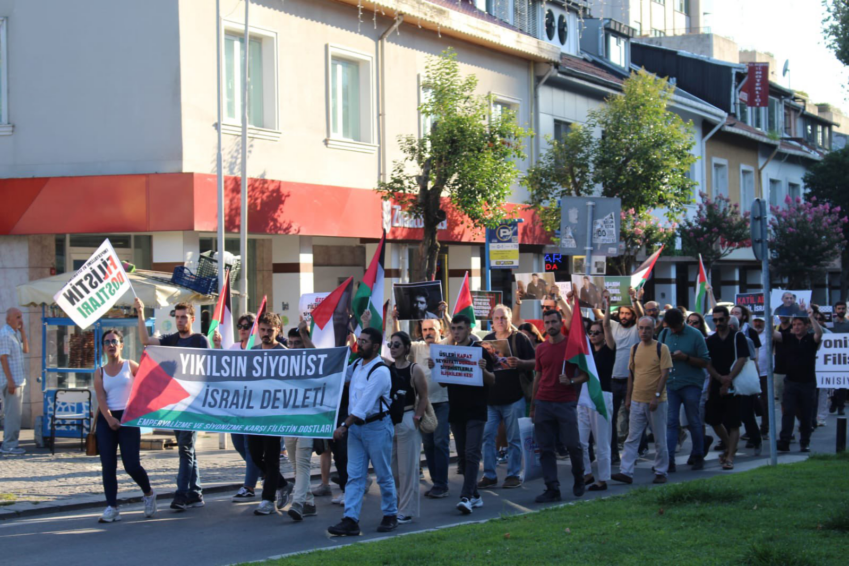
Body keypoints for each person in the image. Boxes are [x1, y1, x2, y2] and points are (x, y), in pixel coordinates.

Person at [136, 298, 209, 510]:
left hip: (193, 405)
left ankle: (182, 494)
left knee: (185, 448)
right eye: (177, 317)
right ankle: (195, 492)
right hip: (176, 404)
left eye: (184, 317)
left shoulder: (200, 340)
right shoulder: (172, 339)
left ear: (192, 319)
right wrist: (140, 312)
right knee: (188, 449)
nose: (180, 321)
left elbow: (209, 369)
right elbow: (145, 341)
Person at [327, 327, 398, 537]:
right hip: (357, 430)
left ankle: (390, 514)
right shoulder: (357, 364)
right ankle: (350, 519)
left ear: (376, 347)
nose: (360, 345)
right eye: (360, 340)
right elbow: (339, 376)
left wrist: (343, 426)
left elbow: (363, 407)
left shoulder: (381, 372)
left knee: (383, 474)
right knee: (354, 476)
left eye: (365, 342)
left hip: (376, 427)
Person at [428, 315, 496, 514]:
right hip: (456, 410)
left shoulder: (479, 351)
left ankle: (466, 496)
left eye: (460, 328)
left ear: (468, 330)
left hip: (476, 409)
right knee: (463, 456)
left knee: (472, 452)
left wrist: (482, 369)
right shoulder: (449, 352)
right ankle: (474, 495)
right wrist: (436, 368)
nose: (456, 332)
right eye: (453, 329)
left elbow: (492, 380)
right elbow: (443, 383)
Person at [93, 330, 156, 523]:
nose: (111, 345)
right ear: (103, 348)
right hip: (107, 419)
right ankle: (112, 507)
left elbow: (148, 380)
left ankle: (149, 493)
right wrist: (110, 418)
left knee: (131, 465)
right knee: (108, 466)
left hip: (129, 418)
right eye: (107, 342)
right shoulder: (100, 372)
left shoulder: (130, 366)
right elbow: (101, 398)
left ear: (121, 345)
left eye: (115, 341)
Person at [395, 303, 452, 499]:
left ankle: (442, 484)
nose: (428, 333)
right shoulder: (417, 347)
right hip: (423, 404)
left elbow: (454, 334)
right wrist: (395, 319)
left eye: (432, 329)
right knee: (428, 444)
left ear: (440, 331)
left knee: (440, 442)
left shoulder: (446, 345)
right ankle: (437, 482)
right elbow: (399, 343)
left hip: (442, 402)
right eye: (425, 329)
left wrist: (445, 315)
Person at [531, 309, 587, 503]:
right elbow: (538, 376)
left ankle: (579, 478)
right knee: (546, 448)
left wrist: (571, 381)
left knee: (572, 445)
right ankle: (552, 488)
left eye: (554, 322)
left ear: (560, 322)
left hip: (565, 402)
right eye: (547, 323)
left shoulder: (572, 346)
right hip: (543, 402)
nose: (550, 326)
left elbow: (585, 375)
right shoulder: (541, 349)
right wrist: (533, 406)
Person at [479, 305, 535, 490]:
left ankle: (513, 475)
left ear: (510, 319)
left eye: (504, 318)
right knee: (487, 437)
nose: (500, 321)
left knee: (513, 438)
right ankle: (489, 475)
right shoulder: (486, 339)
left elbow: (535, 362)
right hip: (491, 398)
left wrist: (520, 363)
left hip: (514, 397)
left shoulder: (520, 338)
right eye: (497, 318)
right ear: (492, 321)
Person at [611, 317, 673, 485]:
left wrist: (657, 396)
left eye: (648, 328)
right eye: (641, 328)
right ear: (638, 330)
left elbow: (665, 373)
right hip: (637, 400)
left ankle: (661, 471)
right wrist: (628, 397)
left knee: (660, 439)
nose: (644, 331)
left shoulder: (662, 348)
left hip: (656, 402)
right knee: (632, 438)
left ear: (654, 330)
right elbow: (631, 374)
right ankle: (626, 472)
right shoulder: (635, 348)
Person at [245, 312, 294, 516]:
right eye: (263, 330)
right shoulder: (252, 352)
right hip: (254, 414)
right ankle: (282, 484)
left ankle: (268, 500)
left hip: (275, 414)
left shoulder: (284, 353)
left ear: (278, 330)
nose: (265, 334)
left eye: (270, 330)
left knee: (272, 457)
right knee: (255, 456)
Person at [214, 312, 262, 501]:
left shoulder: (259, 349)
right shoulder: (234, 347)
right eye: (240, 327)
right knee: (238, 444)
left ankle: (248, 486)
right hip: (236, 406)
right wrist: (217, 347)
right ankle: (265, 473)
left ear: (254, 329)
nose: (242, 330)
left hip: (253, 406)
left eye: (246, 326)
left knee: (250, 447)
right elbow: (221, 367)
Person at [658, 307, 710, 472]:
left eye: (676, 327)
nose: (673, 330)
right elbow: (657, 357)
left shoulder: (695, 335)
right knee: (671, 422)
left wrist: (685, 358)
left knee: (693, 421)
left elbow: (705, 361)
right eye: (671, 327)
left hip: (691, 383)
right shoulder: (665, 334)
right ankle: (670, 460)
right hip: (671, 383)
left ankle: (698, 455)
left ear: (682, 322)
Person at [386, 331, 428, 524]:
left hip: (407, 418)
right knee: (392, 469)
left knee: (408, 469)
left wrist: (417, 417)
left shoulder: (414, 369)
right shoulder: (386, 368)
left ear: (406, 348)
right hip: (389, 422)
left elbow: (424, 396)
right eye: (391, 345)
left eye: (397, 345)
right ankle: (398, 505)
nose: (393, 348)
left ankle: (407, 510)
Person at [600, 288, 643, 465]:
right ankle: (613, 454)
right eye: (622, 313)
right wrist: (607, 304)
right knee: (611, 419)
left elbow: (642, 317)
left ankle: (634, 451)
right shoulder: (614, 326)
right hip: (612, 380)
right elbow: (603, 322)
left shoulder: (637, 330)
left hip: (631, 381)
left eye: (628, 313)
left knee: (634, 420)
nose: (624, 316)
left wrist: (634, 300)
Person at [705, 307, 749, 470]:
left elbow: (742, 358)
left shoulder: (738, 337)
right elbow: (707, 362)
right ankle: (730, 445)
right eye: (715, 320)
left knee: (734, 422)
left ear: (727, 319)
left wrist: (729, 378)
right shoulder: (711, 340)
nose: (718, 323)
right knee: (714, 420)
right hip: (717, 383)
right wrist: (719, 378)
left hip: (735, 383)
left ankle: (729, 456)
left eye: (721, 320)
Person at [775, 308, 823, 453]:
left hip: (807, 383)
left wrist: (811, 317)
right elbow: (773, 334)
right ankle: (784, 440)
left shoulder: (810, 339)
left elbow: (819, 334)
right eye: (794, 324)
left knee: (806, 414)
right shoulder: (788, 338)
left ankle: (805, 442)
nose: (796, 327)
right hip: (791, 382)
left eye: (799, 324)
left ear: (806, 326)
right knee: (788, 412)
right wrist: (771, 316)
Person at [579, 313, 616, 491]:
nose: (593, 335)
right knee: (580, 440)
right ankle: (586, 473)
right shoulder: (587, 352)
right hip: (584, 396)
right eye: (591, 333)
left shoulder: (609, 349)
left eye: (597, 332)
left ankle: (602, 479)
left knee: (601, 441)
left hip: (602, 396)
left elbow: (607, 325)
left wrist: (607, 306)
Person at [730, 306, 763, 454]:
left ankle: (756, 440)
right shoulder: (719, 339)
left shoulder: (747, 338)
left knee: (746, 414)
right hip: (728, 381)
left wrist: (755, 381)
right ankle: (729, 443)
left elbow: (752, 360)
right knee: (729, 414)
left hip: (743, 379)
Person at [1, 308, 29, 455]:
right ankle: (9, 445)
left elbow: (26, 350)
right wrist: (10, 381)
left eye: (21, 317)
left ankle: (11, 443)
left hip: (18, 380)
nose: (20, 320)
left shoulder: (14, 334)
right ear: (9, 319)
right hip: (12, 381)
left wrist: (23, 332)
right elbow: (3, 358)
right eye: (17, 317)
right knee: (12, 416)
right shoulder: (5, 334)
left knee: (15, 415)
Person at [752, 316, 771, 436]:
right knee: (750, 402)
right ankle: (751, 429)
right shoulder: (748, 333)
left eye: (760, 321)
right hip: (750, 373)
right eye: (756, 321)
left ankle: (765, 427)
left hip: (765, 373)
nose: (758, 324)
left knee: (765, 402)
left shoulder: (769, 334)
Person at [829, 302, 849, 416]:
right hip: (831, 356)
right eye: (839, 308)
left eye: (843, 308)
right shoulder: (831, 324)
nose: (841, 310)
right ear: (835, 310)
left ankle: (840, 406)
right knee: (831, 382)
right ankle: (834, 400)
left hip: (844, 357)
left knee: (843, 382)